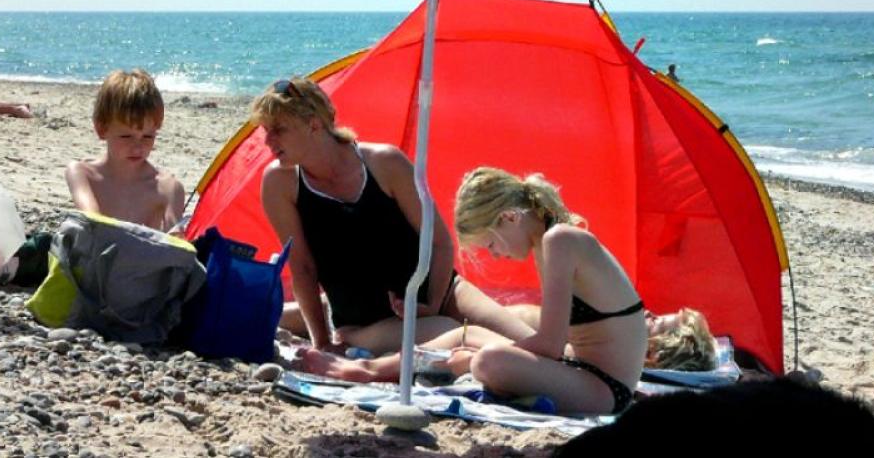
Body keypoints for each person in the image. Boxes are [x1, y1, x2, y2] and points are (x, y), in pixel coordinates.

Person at [300, 167, 717, 415]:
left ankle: (369, 369)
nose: (497, 256)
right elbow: (556, 346)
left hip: (605, 390)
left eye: (492, 245)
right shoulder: (552, 242)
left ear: (510, 219)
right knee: (473, 341)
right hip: (586, 371)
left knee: (489, 359)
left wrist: (473, 361)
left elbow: (551, 346)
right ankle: (369, 370)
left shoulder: (559, 242)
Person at [256, 77, 530, 355]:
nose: (267, 141)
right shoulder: (280, 184)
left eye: (278, 130)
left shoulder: (384, 163)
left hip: (442, 291)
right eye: (266, 130)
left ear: (314, 124)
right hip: (368, 322)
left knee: (529, 341)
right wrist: (323, 343)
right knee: (470, 338)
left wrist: (432, 304)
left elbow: (439, 242)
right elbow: (302, 268)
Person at [64, 69, 186, 233]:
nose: (138, 147)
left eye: (148, 137)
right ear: (101, 129)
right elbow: (95, 225)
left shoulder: (168, 188)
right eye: (126, 136)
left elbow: (174, 247)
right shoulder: (82, 173)